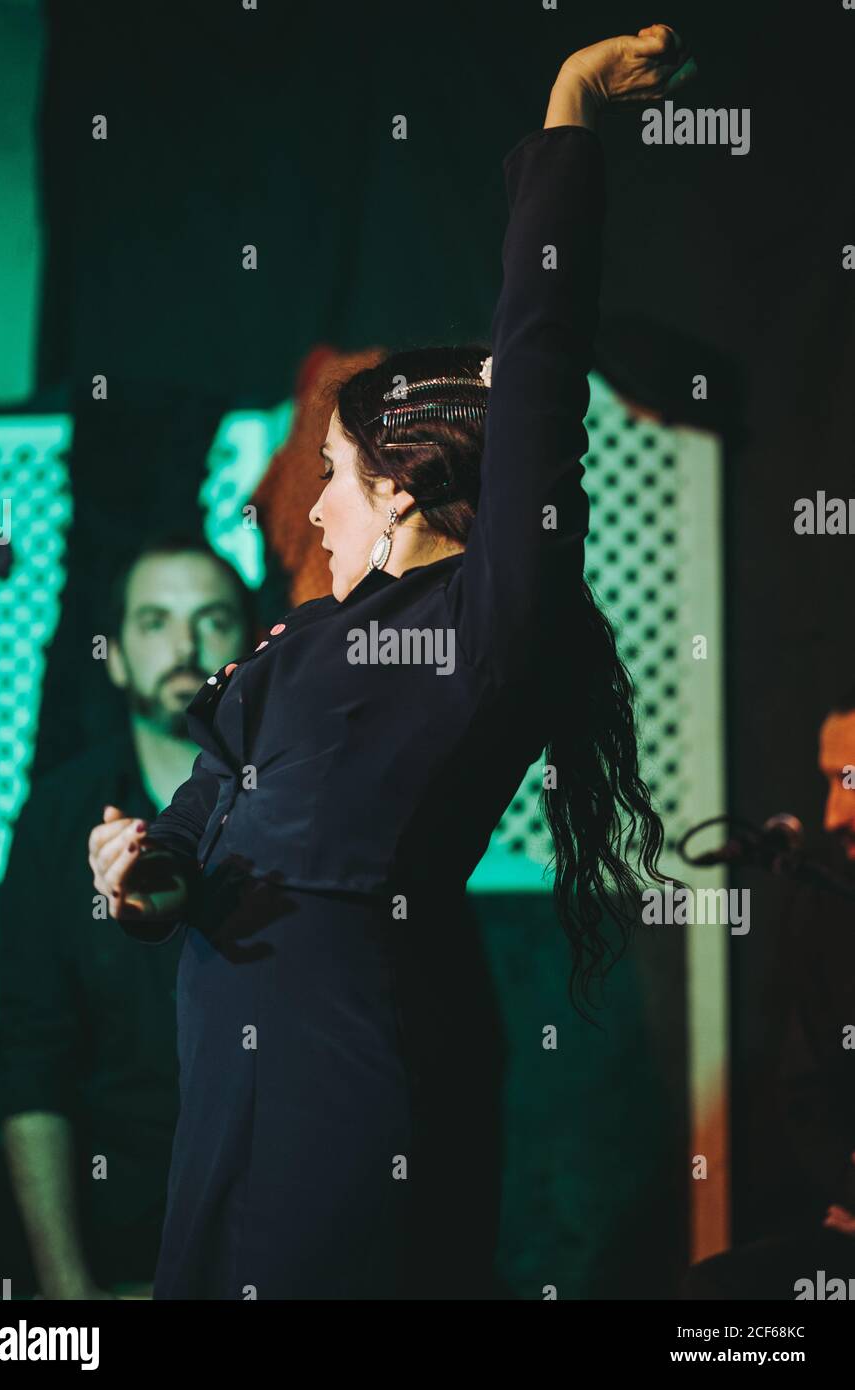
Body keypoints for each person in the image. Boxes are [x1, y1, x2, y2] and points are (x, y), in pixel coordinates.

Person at [88, 25, 693, 1300]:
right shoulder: (297, 640)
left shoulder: (490, 623)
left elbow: (534, 370)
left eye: (334, 484)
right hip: (222, 1057)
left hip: (345, 1060)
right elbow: (198, 819)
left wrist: (568, 114)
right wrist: (143, 873)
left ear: (405, 496)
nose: (308, 515)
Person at [0, 537, 253, 1300]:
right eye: (154, 622)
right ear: (114, 655)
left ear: (246, 642)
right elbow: (29, 1061)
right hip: (118, 1248)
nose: (184, 648)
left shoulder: (300, 804)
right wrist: (71, 1292)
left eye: (210, 620)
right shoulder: (58, 819)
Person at [681, 687, 855, 1298]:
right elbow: (804, 1087)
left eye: (852, 779)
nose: (834, 814)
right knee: (717, 1299)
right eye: (829, 781)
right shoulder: (827, 906)